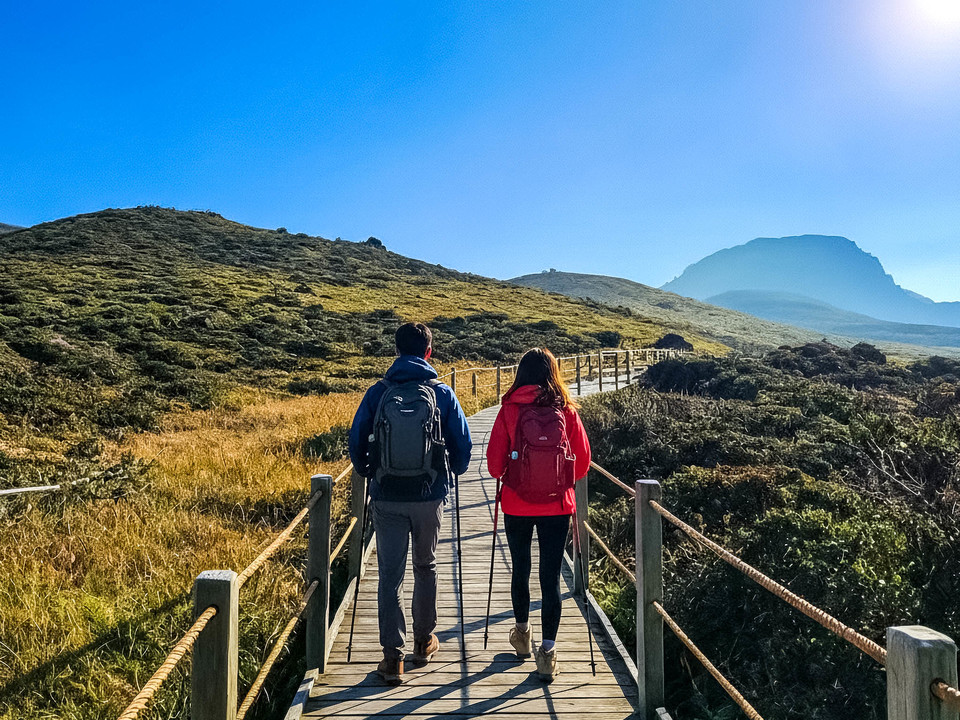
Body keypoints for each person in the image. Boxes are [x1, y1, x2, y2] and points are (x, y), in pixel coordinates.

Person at [348, 322, 472, 685]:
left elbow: (356, 439)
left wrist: (369, 470)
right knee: (426, 566)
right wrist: (454, 471)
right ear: (429, 352)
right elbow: (462, 447)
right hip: (429, 494)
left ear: (397, 351)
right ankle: (423, 641)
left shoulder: (378, 392)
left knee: (390, 575)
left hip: (387, 495)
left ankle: (392, 659)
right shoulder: (442, 393)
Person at [485, 347, 591, 682]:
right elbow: (584, 462)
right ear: (552, 373)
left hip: (516, 503)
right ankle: (548, 653)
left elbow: (492, 466)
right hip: (557, 505)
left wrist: (515, 472)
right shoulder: (566, 411)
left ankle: (521, 636)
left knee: (521, 568)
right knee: (550, 577)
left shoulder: (509, 410)